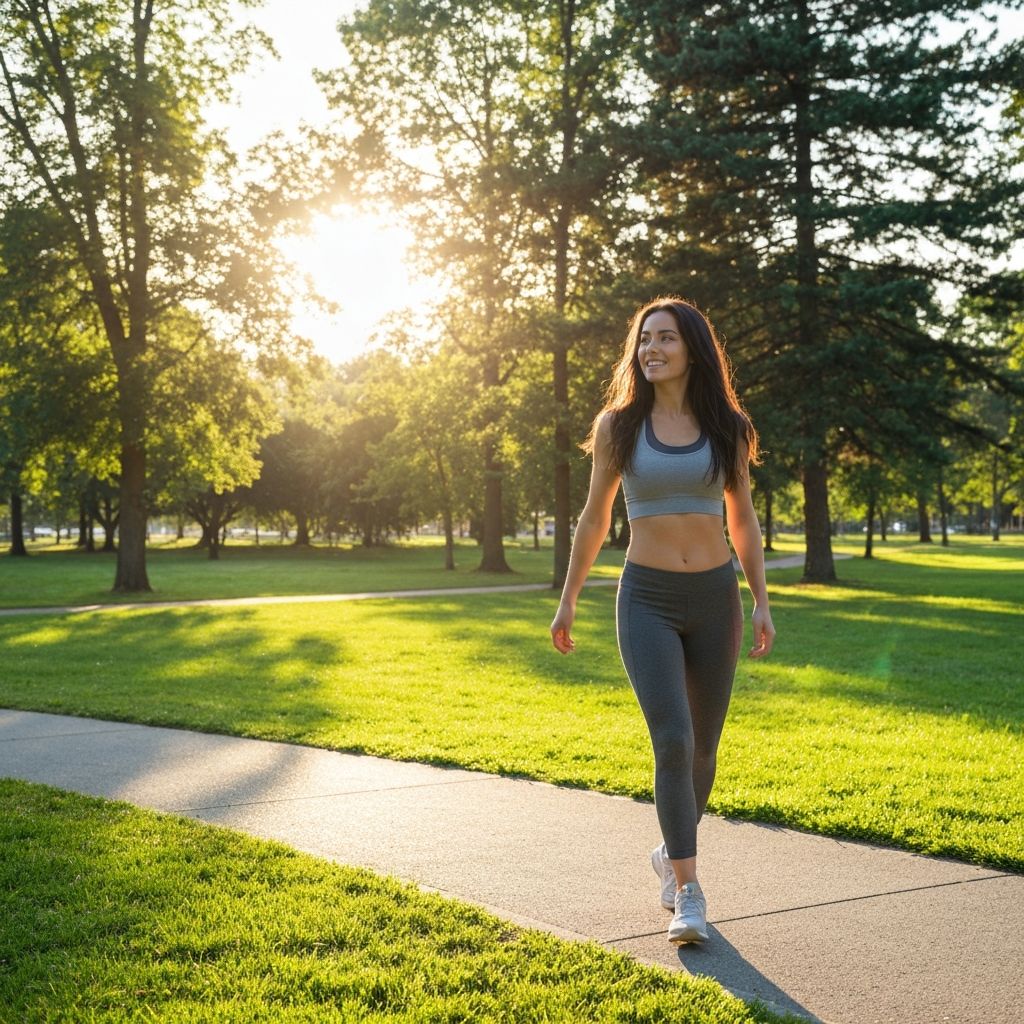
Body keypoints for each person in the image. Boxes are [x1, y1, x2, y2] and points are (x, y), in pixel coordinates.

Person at [550, 296, 775, 945]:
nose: (651, 349)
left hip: (714, 599)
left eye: (665, 339)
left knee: (704, 749)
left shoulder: (727, 427)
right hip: (645, 596)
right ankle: (690, 891)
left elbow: (743, 522)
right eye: (644, 340)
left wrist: (761, 599)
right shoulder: (619, 426)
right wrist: (569, 597)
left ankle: (669, 851)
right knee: (673, 740)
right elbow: (594, 518)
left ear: (692, 349)